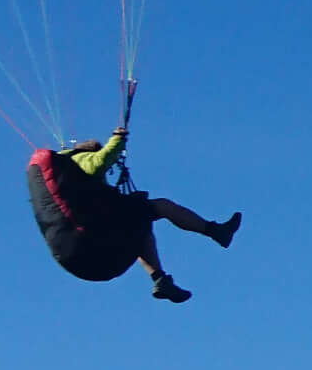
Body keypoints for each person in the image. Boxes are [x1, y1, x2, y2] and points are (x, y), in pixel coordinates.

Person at [25, 123, 238, 303]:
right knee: (160, 206)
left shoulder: (70, 184)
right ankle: (216, 231)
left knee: (137, 223)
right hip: (95, 248)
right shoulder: (79, 160)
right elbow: (100, 161)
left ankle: (160, 280)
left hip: (81, 256)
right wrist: (118, 139)